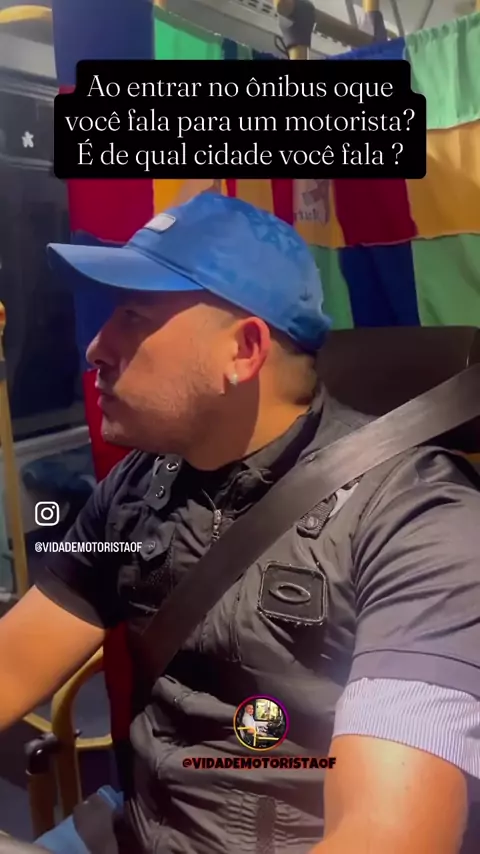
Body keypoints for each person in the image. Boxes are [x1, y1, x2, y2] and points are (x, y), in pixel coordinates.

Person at [0, 192, 479, 854]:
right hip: (135, 828)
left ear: (244, 350)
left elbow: (387, 835)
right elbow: (12, 663)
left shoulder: (416, 519)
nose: (96, 348)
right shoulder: (139, 486)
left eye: (134, 316)